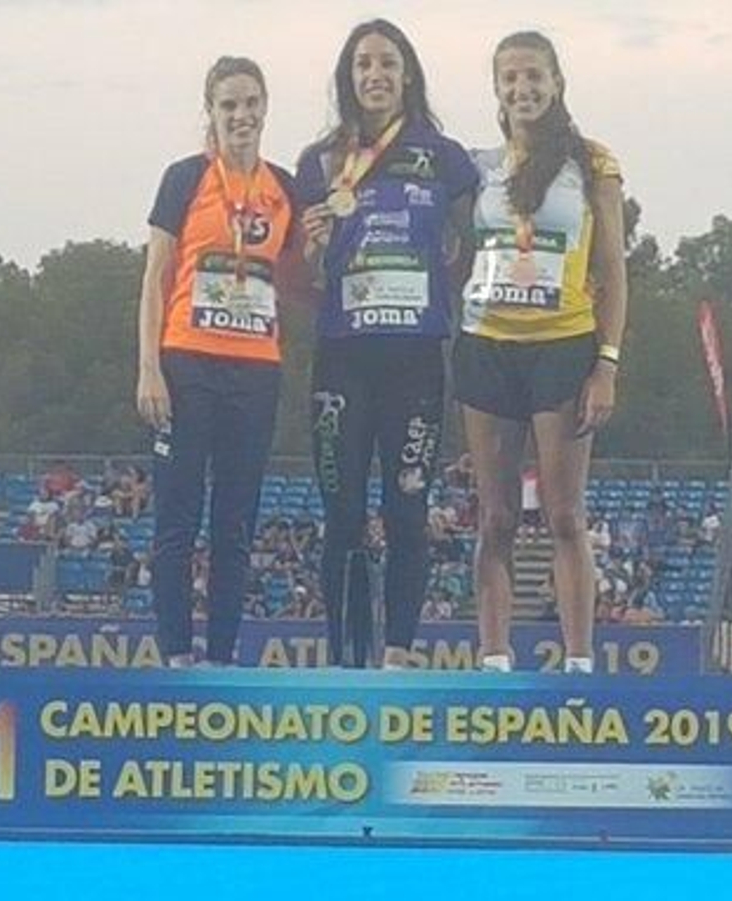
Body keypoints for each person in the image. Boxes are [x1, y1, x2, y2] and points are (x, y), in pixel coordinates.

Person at [294, 19, 477, 669]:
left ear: (408, 75)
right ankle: (345, 655)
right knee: (341, 513)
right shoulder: (318, 160)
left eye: (387, 63)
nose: (374, 75)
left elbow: (479, 233)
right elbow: (301, 270)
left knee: (407, 507)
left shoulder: (444, 155)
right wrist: (314, 251)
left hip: (417, 357)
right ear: (347, 78)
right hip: (342, 355)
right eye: (362, 64)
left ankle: (398, 652)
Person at [457, 31, 628, 673]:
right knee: (496, 516)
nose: (522, 89)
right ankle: (494, 657)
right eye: (510, 79)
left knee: (562, 512)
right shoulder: (478, 167)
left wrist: (606, 363)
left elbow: (613, 269)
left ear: (556, 83)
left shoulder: (592, 164)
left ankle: (579, 659)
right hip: (487, 346)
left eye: (534, 77)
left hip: (563, 346)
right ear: (497, 90)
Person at [137, 56, 299, 667]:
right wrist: (148, 367)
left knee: (235, 523)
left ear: (265, 109)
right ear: (210, 112)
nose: (241, 115)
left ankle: (225, 657)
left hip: (256, 369)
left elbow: (306, 270)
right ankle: (176, 654)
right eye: (229, 105)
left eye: (251, 103)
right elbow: (155, 279)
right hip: (186, 363)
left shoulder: (283, 187)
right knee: (177, 519)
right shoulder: (184, 179)